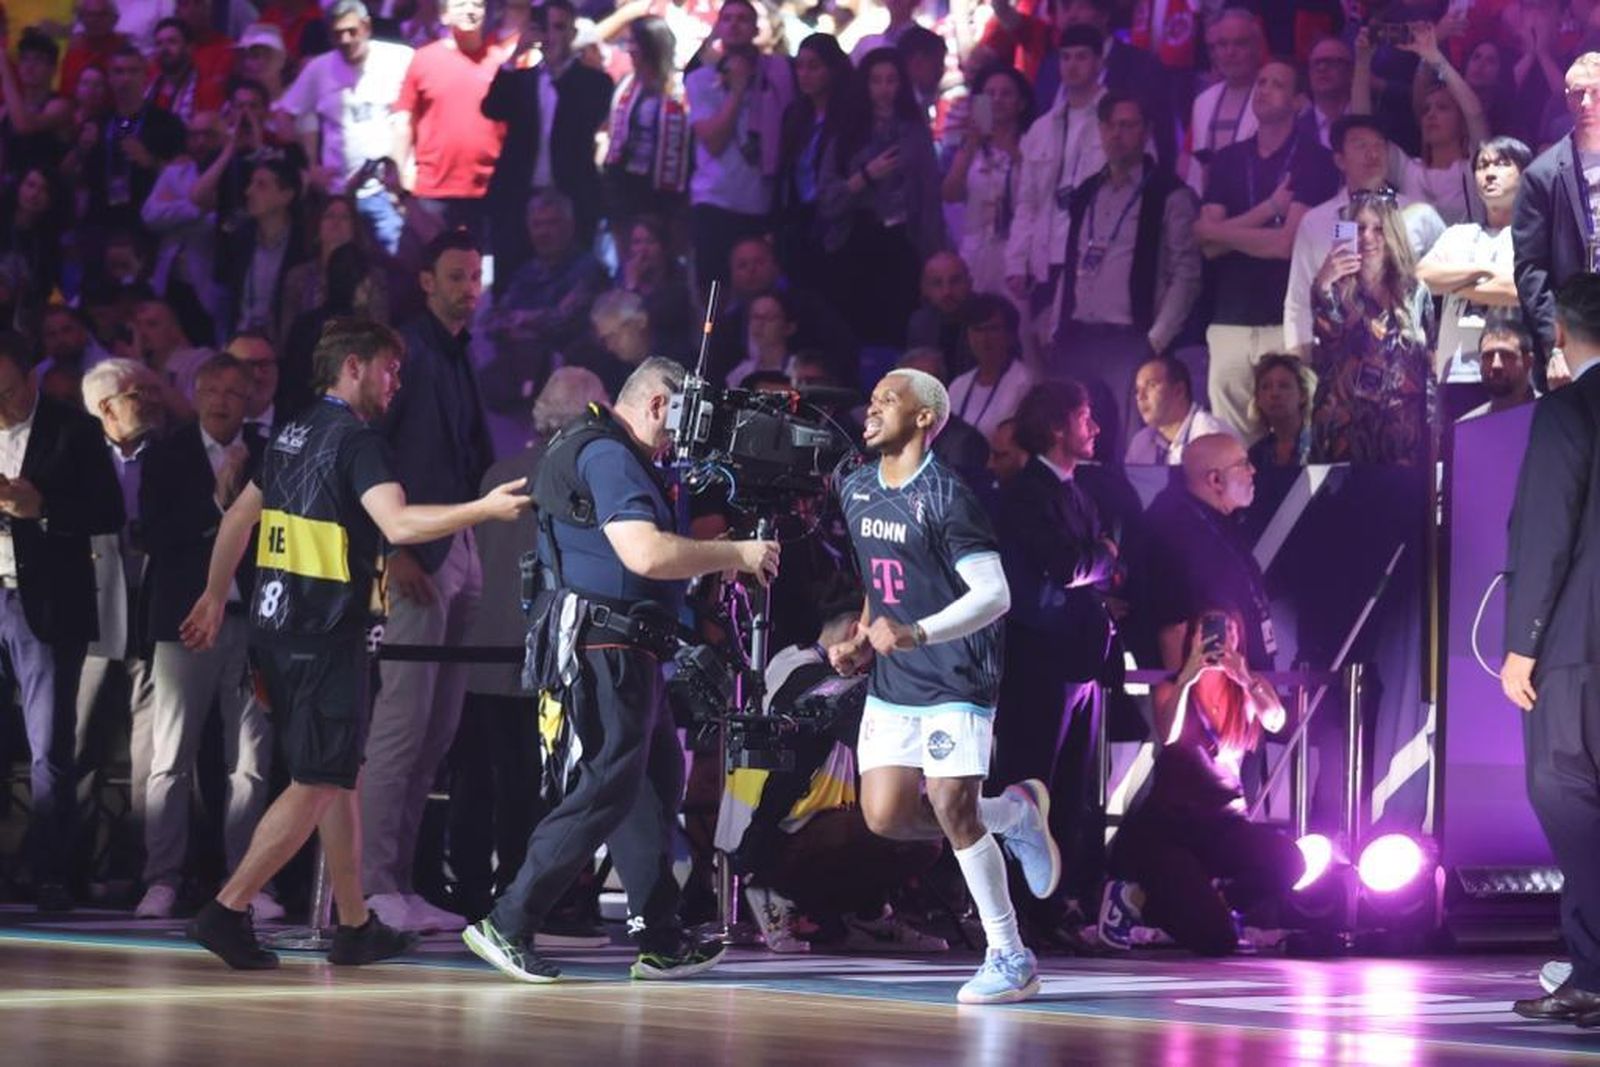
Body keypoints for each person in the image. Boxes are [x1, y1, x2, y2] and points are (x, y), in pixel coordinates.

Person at [181, 316, 533, 970]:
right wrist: (481, 510)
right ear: (354, 368)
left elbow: (237, 516)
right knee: (319, 777)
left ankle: (353, 922)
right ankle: (228, 908)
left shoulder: (291, 428)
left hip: (274, 627)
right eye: (389, 368)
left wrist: (212, 593)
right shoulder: (359, 441)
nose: (397, 381)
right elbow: (397, 521)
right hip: (324, 632)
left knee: (338, 773)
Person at [462, 357, 780, 983]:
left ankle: (659, 938)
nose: (692, 434)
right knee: (609, 784)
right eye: (689, 414)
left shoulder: (624, 457)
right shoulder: (607, 455)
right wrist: (736, 553)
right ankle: (509, 920)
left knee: (652, 784)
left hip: (632, 648)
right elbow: (645, 552)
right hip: (604, 646)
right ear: (660, 405)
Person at [825, 367, 1059, 1005]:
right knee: (885, 816)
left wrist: (918, 634)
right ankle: (1013, 814)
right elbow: (882, 582)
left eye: (888, 400)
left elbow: (996, 594)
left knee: (954, 809)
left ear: (925, 417)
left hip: (958, 671)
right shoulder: (855, 487)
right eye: (870, 398)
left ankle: (1010, 956)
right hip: (897, 674)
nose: (871, 409)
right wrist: (860, 637)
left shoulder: (949, 496)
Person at [363, 229, 495, 934]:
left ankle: (402, 882)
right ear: (425, 280)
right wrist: (394, 548)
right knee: (400, 725)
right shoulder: (408, 350)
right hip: (416, 548)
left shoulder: (457, 351)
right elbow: (376, 449)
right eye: (455, 275)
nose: (467, 287)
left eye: (474, 276)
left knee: (436, 731)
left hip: (459, 542)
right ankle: (370, 883)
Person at [449, 365, 609, 929]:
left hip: (481, 649)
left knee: (478, 779)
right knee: (537, 783)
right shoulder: (586, 477)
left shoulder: (500, 470)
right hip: (542, 653)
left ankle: (470, 887)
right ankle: (525, 894)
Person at [137, 355, 273, 920]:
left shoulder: (267, 454)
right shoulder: (166, 453)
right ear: (193, 393)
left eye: (234, 392)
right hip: (186, 623)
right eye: (211, 389)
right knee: (170, 757)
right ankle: (161, 878)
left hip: (254, 624)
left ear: (250, 400)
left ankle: (248, 882)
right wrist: (219, 507)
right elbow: (152, 531)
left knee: (252, 760)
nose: (221, 400)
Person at [0, 331, 126, 911]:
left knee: (50, 743)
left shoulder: (73, 431)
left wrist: (40, 507)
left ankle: (52, 872)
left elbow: (108, 511)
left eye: (5, 390)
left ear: (31, 378)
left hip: (45, 602)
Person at [1504, 273, 1600, 1027]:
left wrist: (1520, 646)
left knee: (1564, 793)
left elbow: (1545, 534)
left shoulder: (1569, 411)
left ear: (1562, 334)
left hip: (1577, 648)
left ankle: (1595, 970)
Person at [993, 378, 1119, 933]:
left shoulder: (1078, 494)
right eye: (1085, 416)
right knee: (1033, 785)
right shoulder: (1025, 495)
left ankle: (1061, 904)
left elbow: (1089, 566)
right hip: (1041, 662)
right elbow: (1066, 567)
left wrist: (1097, 561)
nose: (1094, 427)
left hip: (1080, 660)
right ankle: (1026, 908)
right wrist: (1102, 557)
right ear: (1056, 427)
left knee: (1072, 791)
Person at [1100, 608, 1299, 956]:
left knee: (1290, 860)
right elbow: (1170, 734)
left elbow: (1276, 721)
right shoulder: (1173, 686)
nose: (1221, 639)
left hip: (1225, 824)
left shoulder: (1246, 689)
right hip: (1170, 828)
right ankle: (1136, 898)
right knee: (1217, 941)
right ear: (1193, 637)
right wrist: (1189, 676)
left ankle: (1218, 902)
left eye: (1230, 631)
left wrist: (1245, 678)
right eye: (1209, 630)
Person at [1050, 91, 1201, 461]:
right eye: (1111, 125)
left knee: (1126, 446)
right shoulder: (1086, 191)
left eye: (1128, 125)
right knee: (1069, 442)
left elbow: (1187, 272)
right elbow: (1071, 264)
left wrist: (1156, 339)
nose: (1118, 134)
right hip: (1079, 335)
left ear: (1146, 131)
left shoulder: (1169, 192)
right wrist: (1057, 324)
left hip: (1132, 340)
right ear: (1101, 130)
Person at [1195, 57, 1339, 439]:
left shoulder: (1315, 159)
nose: (1263, 90)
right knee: (1231, 440)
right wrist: (1269, 210)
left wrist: (1224, 232)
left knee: (1295, 437)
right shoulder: (1228, 158)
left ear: (1298, 102)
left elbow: (1284, 244)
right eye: (1260, 82)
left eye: (1276, 84)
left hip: (1285, 320)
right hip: (1229, 319)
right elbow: (1205, 245)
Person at [816, 48, 945, 351]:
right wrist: (865, 176)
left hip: (903, 241)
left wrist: (933, 253)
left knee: (899, 329)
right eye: (876, 81)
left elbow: (929, 196)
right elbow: (827, 199)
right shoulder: (847, 132)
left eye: (891, 80)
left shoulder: (915, 132)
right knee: (856, 330)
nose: (884, 89)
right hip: (856, 241)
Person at [482, 0, 613, 283]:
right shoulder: (521, 80)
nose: (552, 36)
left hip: (572, 195)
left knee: (573, 280)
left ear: (573, 32)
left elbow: (587, 115)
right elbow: (491, 108)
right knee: (512, 275)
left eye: (560, 27)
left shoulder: (594, 82)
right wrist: (517, 53)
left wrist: (558, 71)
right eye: (547, 28)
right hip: (520, 197)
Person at [273, 0, 414, 255]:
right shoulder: (319, 68)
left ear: (367, 26)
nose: (346, 39)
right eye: (338, 34)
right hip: (337, 194)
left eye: (352, 31)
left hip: (384, 190)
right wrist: (309, 167)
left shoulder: (399, 58)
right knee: (338, 262)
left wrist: (405, 168)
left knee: (394, 264)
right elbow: (284, 114)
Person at [1129, 433, 1275, 674]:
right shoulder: (1174, 528)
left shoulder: (1219, 520)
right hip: (1207, 691)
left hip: (1241, 681)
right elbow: (1172, 626)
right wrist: (1182, 692)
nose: (1253, 471)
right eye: (1243, 464)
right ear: (1216, 480)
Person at [1309, 191, 1438, 465]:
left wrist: (1432, 428)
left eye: (1379, 228)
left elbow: (1428, 364)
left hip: (1403, 434)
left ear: (1393, 234)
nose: (1367, 237)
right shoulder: (1331, 288)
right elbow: (1327, 345)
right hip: (1345, 431)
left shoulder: (1415, 292)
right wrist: (1323, 285)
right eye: (1359, 228)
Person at [1285, 115, 1428, 358]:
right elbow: (1298, 299)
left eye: (1378, 145)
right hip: (1338, 360)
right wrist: (1300, 359)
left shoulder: (1418, 214)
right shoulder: (1316, 221)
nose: (1372, 154)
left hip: (1406, 356)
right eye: (1361, 145)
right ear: (1340, 160)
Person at [1004, 26, 1110, 350]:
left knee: (1085, 346)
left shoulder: (1116, 118)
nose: (1072, 65)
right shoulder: (1041, 127)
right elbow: (1028, 202)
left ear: (1098, 62)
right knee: (1042, 344)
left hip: (1095, 253)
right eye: (1065, 58)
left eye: (1081, 57)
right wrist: (1015, 261)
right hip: (1047, 254)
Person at [684, 0, 795, 292]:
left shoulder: (780, 72)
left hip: (761, 203)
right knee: (713, 295)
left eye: (743, 19)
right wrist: (737, 90)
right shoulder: (700, 79)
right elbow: (714, 141)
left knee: (759, 293)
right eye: (728, 18)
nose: (734, 25)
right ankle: (712, 340)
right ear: (718, 26)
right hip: (715, 202)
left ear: (757, 29)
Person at [1512, 53, 1600, 389]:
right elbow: (1531, 271)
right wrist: (1558, 343)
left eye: (1596, 92)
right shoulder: (1542, 175)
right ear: (1566, 99)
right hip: (1577, 336)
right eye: (1577, 94)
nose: (1586, 103)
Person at [1417, 136, 1529, 393]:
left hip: (1513, 375)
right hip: (1454, 374)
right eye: (1482, 166)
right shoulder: (1458, 234)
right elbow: (1421, 278)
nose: (1489, 173)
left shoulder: (1533, 236)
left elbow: (1517, 290)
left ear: (1525, 175)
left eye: (1501, 164)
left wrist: (1451, 284)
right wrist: (1483, 272)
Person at [393, 0, 513, 238]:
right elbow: (404, 120)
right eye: (460, 5)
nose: (470, 11)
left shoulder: (502, 63)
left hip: (490, 189)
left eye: (477, 5)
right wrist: (399, 171)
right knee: (433, 267)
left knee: (484, 271)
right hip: (433, 190)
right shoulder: (423, 59)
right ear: (444, 15)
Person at [1353, 21, 1488, 226]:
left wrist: (1435, 57)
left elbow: (1475, 113)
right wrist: (1362, 62)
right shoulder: (1408, 168)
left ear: (1461, 122)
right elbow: (1361, 130)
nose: (1431, 114)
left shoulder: (1475, 167)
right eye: (1426, 110)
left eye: (1442, 107)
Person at [942, 65, 1033, 302]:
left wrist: (1010, 150)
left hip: (1017, 253)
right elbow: (950, 194)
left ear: (1021, 103)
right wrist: (971, 145)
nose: (997, 100)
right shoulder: (970, 147)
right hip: (975, 252)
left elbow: (1038, 191)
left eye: (1006, 94)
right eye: (990, 94)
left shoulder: (1032, 144)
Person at [774, 32, 850, 294]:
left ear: (831, 69)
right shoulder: (795, 115)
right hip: (801, 221)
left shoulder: (849, 115)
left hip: (838, 221)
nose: (804, 74)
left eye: (814, 66)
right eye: (800, 66)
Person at [1186, 7, 1265, 192]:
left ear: (1257, 48)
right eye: (1222, 45)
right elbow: (1196, 170)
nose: (1230, 52)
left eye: (1240, 44)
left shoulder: (1275, 95)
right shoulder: (1202, 102)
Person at [947, 293, 1034, 441]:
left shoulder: (1024, 382)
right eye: (977, 330)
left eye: (992, 329)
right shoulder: (958, 385)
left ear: (1010, 334)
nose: (984, 339)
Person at [1126, 355, 1230, 466]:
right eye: (1137, 390)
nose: (1140, 397)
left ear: (1179, 391)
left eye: (1151, 385)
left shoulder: (1210, 434)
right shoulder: (1141, 443)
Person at [906, 250, 975, 382]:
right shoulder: (919, 324)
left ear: (969, 283)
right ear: (925, 289)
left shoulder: (985, 320)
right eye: (938, 283)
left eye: (955, 281)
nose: (947, 291)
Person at [1459, 313, 1537, 422]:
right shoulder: (1469, 428)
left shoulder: (1553, 419)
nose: (1496, 365)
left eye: (1506, 356)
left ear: (1529, 361)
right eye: (1488, 356)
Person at [1246, 353, 1312, 468]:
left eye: (1284, 386)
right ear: (1258, 399)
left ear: (1302, 395)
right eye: (1266, 387)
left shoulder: (1322, 446)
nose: (1274, 394)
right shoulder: (1256, 455)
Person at [1299, 36, 1354, 150]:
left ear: (1351, 71)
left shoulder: (1372, 120)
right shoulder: (1294, 131)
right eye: (1316, 63)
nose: (1322, 68)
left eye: (1331, 62)